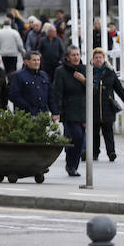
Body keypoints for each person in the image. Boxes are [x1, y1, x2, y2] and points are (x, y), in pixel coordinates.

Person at [90, 47, 124, 161]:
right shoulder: (90, 72)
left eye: (100, 57)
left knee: (108, 131)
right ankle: (94, 152)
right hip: (94, 107)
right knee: (94, 132)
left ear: (104, 59)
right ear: (93, 59)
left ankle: (111, 152)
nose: (98, 60)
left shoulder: (110, 72)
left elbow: (119, 88)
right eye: (96, 58)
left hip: (108, 107)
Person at [53, 46, 86, 176]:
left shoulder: (85, 69)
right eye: (73, 55)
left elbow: (94, 88)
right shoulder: (61, 71)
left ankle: (73, 165)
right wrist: (57, 110)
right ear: (67, 57)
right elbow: (57, 91)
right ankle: (70, 164)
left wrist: (83, 80)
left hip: (83, 110)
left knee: (79, 139)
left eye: (78, 54)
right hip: (69, 110)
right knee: (76, 136)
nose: (76, 57)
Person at [9, 51, 59, 118]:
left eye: (38, 60)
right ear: (26, 61)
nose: (37, 62)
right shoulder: (18, 76)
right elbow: (14, 96)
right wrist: (28, 107)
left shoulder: (44, 75)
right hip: (26, 115)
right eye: (34, 60)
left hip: (42, 114)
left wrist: (54, 112)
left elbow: (51, 96)